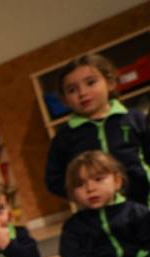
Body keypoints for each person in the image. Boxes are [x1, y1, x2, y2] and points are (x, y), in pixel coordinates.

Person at [45, 54, 150, 206]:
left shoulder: (136, 119)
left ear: (110, 83)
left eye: (91, 82)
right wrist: (82, 193)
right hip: (98, 216)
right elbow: (54, 179)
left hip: (144, 203)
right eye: (72, 90)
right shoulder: (65, 136)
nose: (82, 93)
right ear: (65, 100)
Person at [59, 150, 150, 257]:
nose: (90, 188)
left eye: (98, 179)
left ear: (117, 181)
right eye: (80, 185)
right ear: (72, 193)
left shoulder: (137, 212)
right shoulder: (74, 226)